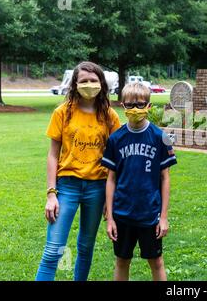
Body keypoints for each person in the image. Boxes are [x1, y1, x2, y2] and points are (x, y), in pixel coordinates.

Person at [36, 61, 121, 281]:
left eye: (93, 80)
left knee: (85, 248)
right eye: (84, 81)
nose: (89, 84)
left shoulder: (110, 116)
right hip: (67, 186)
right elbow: (53, 154)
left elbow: (116, 160)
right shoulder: (63, 113)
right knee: (53, 250)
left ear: (102, 84)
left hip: (97, 188)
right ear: (75, 84)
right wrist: (51, 194)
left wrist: (109, 200)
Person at [102, 82, 177, 281]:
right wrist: (110, 217)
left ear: (149, 106)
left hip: (150, 214)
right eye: (130, 105)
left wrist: (163, 217)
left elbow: (165, 178)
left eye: (141, 104)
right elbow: (111, 179)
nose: (135, 109)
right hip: (122, 213)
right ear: (122, 106)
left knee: (157, 262)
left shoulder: (161, 137)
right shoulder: (116, 139)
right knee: (121, 261)